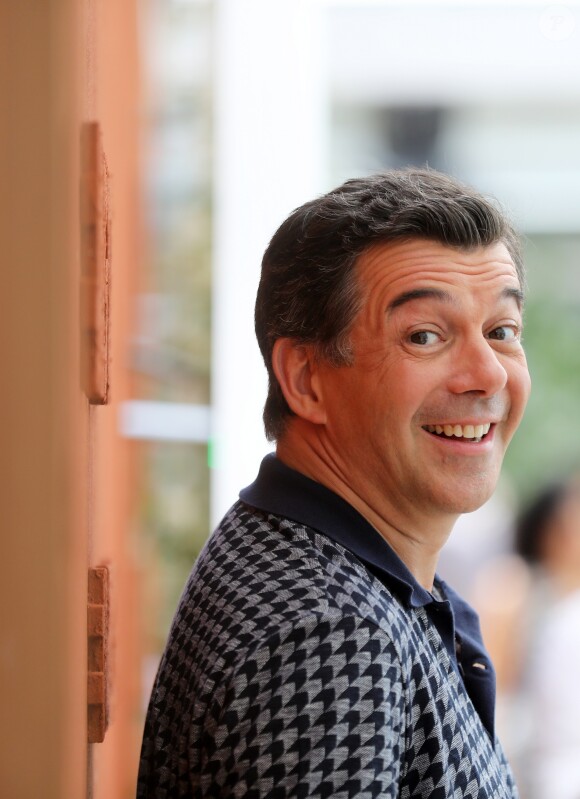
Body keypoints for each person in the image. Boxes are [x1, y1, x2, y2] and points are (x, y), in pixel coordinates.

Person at [137, 168, 531, 798]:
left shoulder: (333, 576)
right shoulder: (328, 634)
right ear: (306, 379)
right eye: (425, 336)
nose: (488, 375)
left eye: (501, 332)